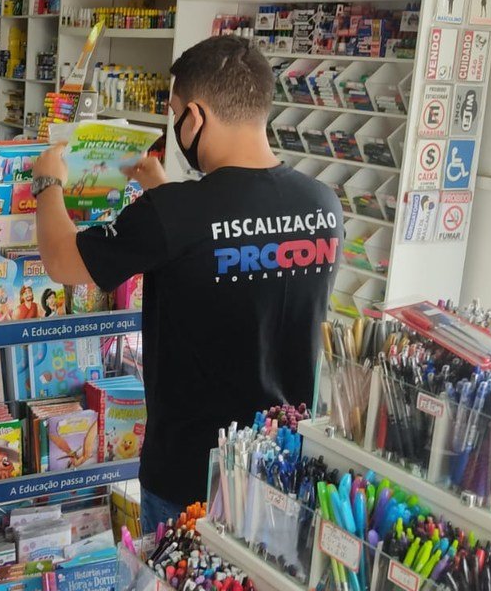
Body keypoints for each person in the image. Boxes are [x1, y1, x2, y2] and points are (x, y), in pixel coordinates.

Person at [32, 36, 344, 532]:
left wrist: (47, 182)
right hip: (281, 469)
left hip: (188, 474)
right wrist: (165, 192)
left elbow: (62, 261)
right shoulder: (323, 205)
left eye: (176, 114)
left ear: (195, 116)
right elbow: (224, 245)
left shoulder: (175, 213)